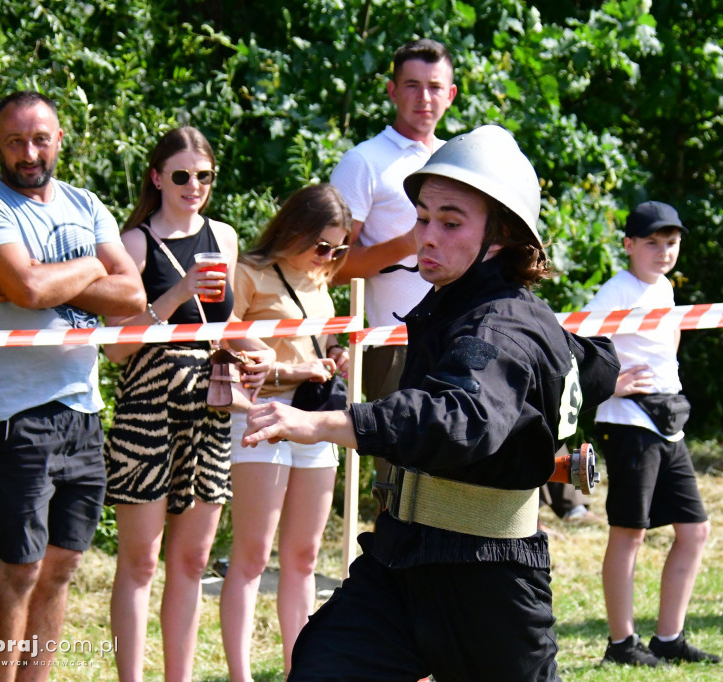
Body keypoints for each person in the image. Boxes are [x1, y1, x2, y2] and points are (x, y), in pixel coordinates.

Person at [242, 125, 617, 682]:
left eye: (451, 221)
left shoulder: (500, 324)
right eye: (423, 217)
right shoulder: (459, 306)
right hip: (401, 561)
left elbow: (459, 417)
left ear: (501, 237)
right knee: (322, 668)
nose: (427, 236)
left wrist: (322, 422)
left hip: (488, 580)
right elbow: (594, 364)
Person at [0, 91, 146, 679]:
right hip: (12, 413)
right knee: (20, 567)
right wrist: (93, 268)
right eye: (15, 141)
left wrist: (61, 276)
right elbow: (32, 291)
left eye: (40, 139)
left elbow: (133, 295)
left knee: (62, 564)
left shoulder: (86, 204)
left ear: (60, 139)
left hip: (82, 406)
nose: (29, 152)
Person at [100, 127, 272, 682]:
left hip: (208, 409)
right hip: (146, 411)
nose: (193, 186)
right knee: (140, 561)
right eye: (181, 175)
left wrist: (257, 350)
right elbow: (117, 348)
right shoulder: (135, 243)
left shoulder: (223, 235)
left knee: (193, 560)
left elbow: (221, 327)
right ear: (157, 178)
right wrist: (176, 293)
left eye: (203, 176)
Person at [219, 183, 351, 682]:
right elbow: (224, 331)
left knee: (303, 555)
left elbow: (320, 341)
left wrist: (331, 358)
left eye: (339, 249)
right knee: (252, 554)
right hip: (263, 410)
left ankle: (301, 669)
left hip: (316, 416)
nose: (330, 257)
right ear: (295, 229)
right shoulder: (250, 272)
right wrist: (289, 368)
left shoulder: (321, 279)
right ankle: (241, 674)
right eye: (323, 246)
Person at [586, 201, 720, 667]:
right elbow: (577, 341)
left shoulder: (663, 287)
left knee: (694, 530)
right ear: (628, 245)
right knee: (630, 534)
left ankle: (669, 639)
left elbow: (670, 340)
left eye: (671, 243)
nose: (663, 252)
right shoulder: (616, 290)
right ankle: (621, 646)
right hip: (627, 423)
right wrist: (611, 384)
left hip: (668, 422)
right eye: (651, 243)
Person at [329, 38, 457, 504]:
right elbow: (329, 266)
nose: (424, 98)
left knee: (452, 473)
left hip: (459, 336)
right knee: (400, 483)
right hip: (392, 342)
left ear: (451, 95)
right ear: (391, 91)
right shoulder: (364, 161)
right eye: (412, 86)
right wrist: (406, 244)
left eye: (434, 87)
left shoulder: (457, 160)